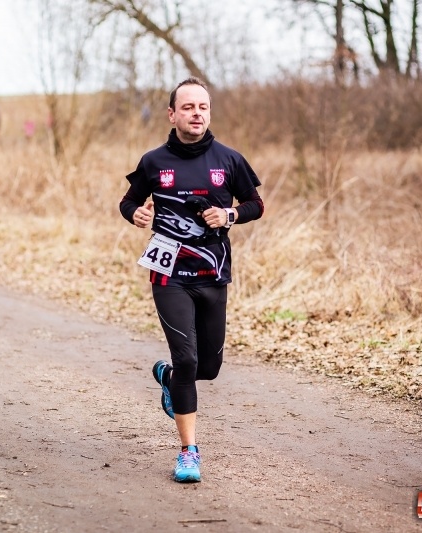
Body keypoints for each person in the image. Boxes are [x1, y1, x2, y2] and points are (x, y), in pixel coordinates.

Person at [119, 77, 264, 483]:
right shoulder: (154, 162)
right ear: (172, 114)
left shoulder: (229, 160)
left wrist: (230, 215)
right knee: (187, 358)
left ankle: (168, 377)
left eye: (203, 106)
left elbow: (256, 204)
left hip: (213, 274)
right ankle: (188, 452)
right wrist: (136, 214)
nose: (196, 113)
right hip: (169, 275)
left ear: (209, 112)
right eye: (188, 107)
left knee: (208, 367)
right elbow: (128, 200)